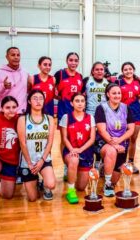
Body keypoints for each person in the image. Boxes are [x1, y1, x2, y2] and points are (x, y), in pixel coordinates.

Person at [95, 83, 135, 197]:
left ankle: (105, 169)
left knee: (115, 180)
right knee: (111, 151)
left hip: (122, 144)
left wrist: (119, 140)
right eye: (114, 93)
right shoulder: (101, 108)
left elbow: (131, 129)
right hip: (104, 142)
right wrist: (114, 144)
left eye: (119, 93)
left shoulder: (126, 108)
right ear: (108, 94)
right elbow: (102, 131)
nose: (117, 95)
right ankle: (107, 183)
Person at [17, 89, 56, 202]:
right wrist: (29, 163)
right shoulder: (23, 119)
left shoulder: (49, 118)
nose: (38, 101)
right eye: (35, 98)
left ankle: (45, 186)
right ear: (29, 101)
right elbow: (22, 143)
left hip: (43, 159)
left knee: (51, 184)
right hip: (28, 162)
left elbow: (50, 142)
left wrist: (42, 161)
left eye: (41, 99)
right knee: (32, 198)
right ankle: (36, 182)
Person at [60, 93, 96, 204]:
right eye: (77, 101)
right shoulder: (66, 117)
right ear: (72, 103)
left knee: (81, 187)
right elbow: (64, 139)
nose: (80, 103)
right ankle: (70, 191)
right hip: (70, 150)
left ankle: (75, 177)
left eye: (82, 101)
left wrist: (80, 150)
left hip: (86, 152)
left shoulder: (90, 118)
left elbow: (92, 139)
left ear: (85, 103)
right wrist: (72, 150)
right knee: (74, 159)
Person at [54, 52, 83, 181]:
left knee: (76, 138)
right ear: (67, 61)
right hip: (63, 111)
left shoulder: (80, 76)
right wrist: (62, 99)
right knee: (64, 139)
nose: (73, 63)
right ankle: (66, 165)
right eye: (71, 60)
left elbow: (80, 95)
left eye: (76, 60)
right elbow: (53, 91)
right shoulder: (59, 74)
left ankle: (76, 162)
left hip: (77, 112)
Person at [115, 62, 140, 174]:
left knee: (133, 139)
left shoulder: (138, 82)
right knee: (122, 139)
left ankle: (131, 163)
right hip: (122, 113)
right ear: (122, 71)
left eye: (130, 69)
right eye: (125, 69)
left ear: (133, 70)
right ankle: (120, 163)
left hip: (136, 112)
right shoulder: (118, 82)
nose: (128, 71)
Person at [0, 47, 28, 114]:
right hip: (3, 113)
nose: (16, 57)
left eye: (18, 55)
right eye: (13, 55)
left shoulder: (25, 73)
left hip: (20, 114)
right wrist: (2, 86)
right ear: (7, 57)